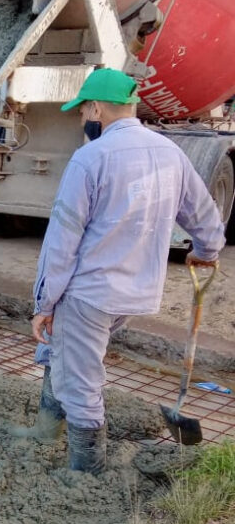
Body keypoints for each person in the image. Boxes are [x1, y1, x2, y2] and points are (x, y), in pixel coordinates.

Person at [19, 68, 225, 474]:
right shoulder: (170, 153)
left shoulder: (90, 159)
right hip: (135, 292)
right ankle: (45, 432)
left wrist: (44, 302)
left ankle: (86, 471)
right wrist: (207, 251)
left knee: (80, 380)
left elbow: (62, 241)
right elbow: (205, 217)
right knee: (65, 354)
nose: (81, 119)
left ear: (96, 108)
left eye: (82, 111)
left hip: (90, 292)